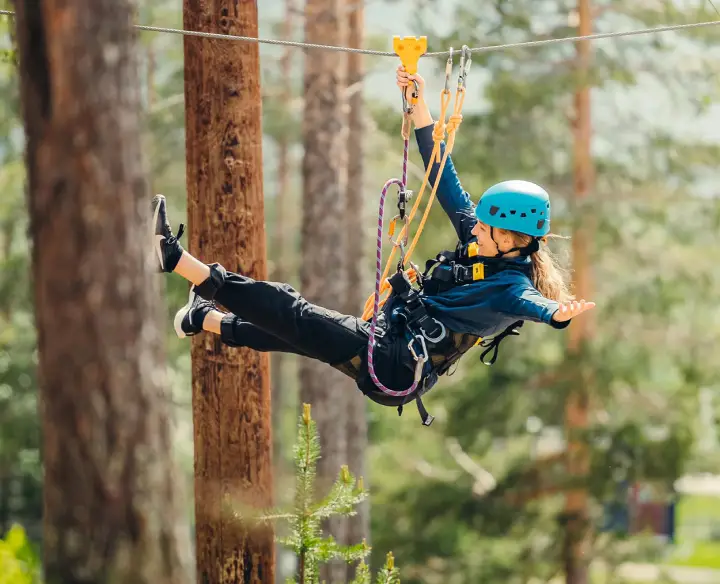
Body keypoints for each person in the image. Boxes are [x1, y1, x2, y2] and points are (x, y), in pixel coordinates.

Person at [151, 64, 595, 425]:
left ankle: (175, 260)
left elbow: (538, 306)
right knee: (299, 334)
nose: (473, 229)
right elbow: (442, 176)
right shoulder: (482, 246)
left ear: (510, 240)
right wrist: (419, 106)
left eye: (484, 227)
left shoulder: (511, 290)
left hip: (394, 364)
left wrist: (558, 314)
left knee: (295, 314)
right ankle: (202, 321)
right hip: (390, 340)